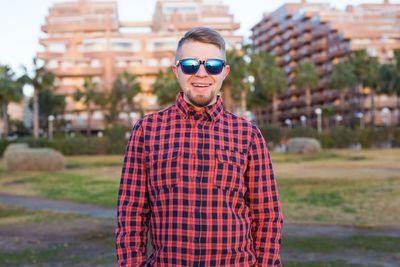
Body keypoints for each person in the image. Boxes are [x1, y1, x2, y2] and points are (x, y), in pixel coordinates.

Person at [116, 27, 283, 266]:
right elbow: (131, 214)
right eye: (190, 65)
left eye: (212, 65)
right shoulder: (146, 130)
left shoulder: (248, 135)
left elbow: (267, 216)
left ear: (224, 72)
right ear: (177, 71)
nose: (201, 73)